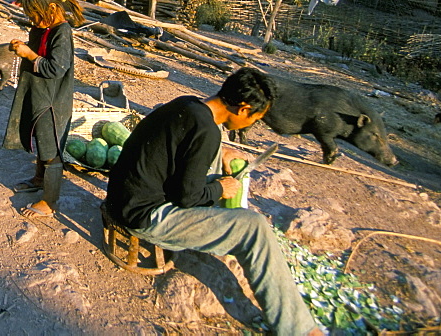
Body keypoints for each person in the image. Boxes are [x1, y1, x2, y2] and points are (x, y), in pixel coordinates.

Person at [103, 68, 322, 336]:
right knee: (254, 228)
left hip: (122, 197)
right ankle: (299, 329)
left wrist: (222, 152)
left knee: (220, 160)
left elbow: (189, 147)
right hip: (144, 215)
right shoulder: (207, 132)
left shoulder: (188, 104)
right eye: (255, 118)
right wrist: (220, 188)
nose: (252, 125)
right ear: (243, 109)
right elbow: (187, 197)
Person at [8, 0, 83, 219]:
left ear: (51, 9)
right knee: (41, 140)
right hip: (38, 95)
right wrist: (26, 47)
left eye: (35, 14)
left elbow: (55, 68)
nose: (32, 20)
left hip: (52, 102)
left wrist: (28, 54)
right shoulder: (42, 28)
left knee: (51, 151)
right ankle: (39, 179)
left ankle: (50, 201)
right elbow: (37, 52)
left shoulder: (62, 32)